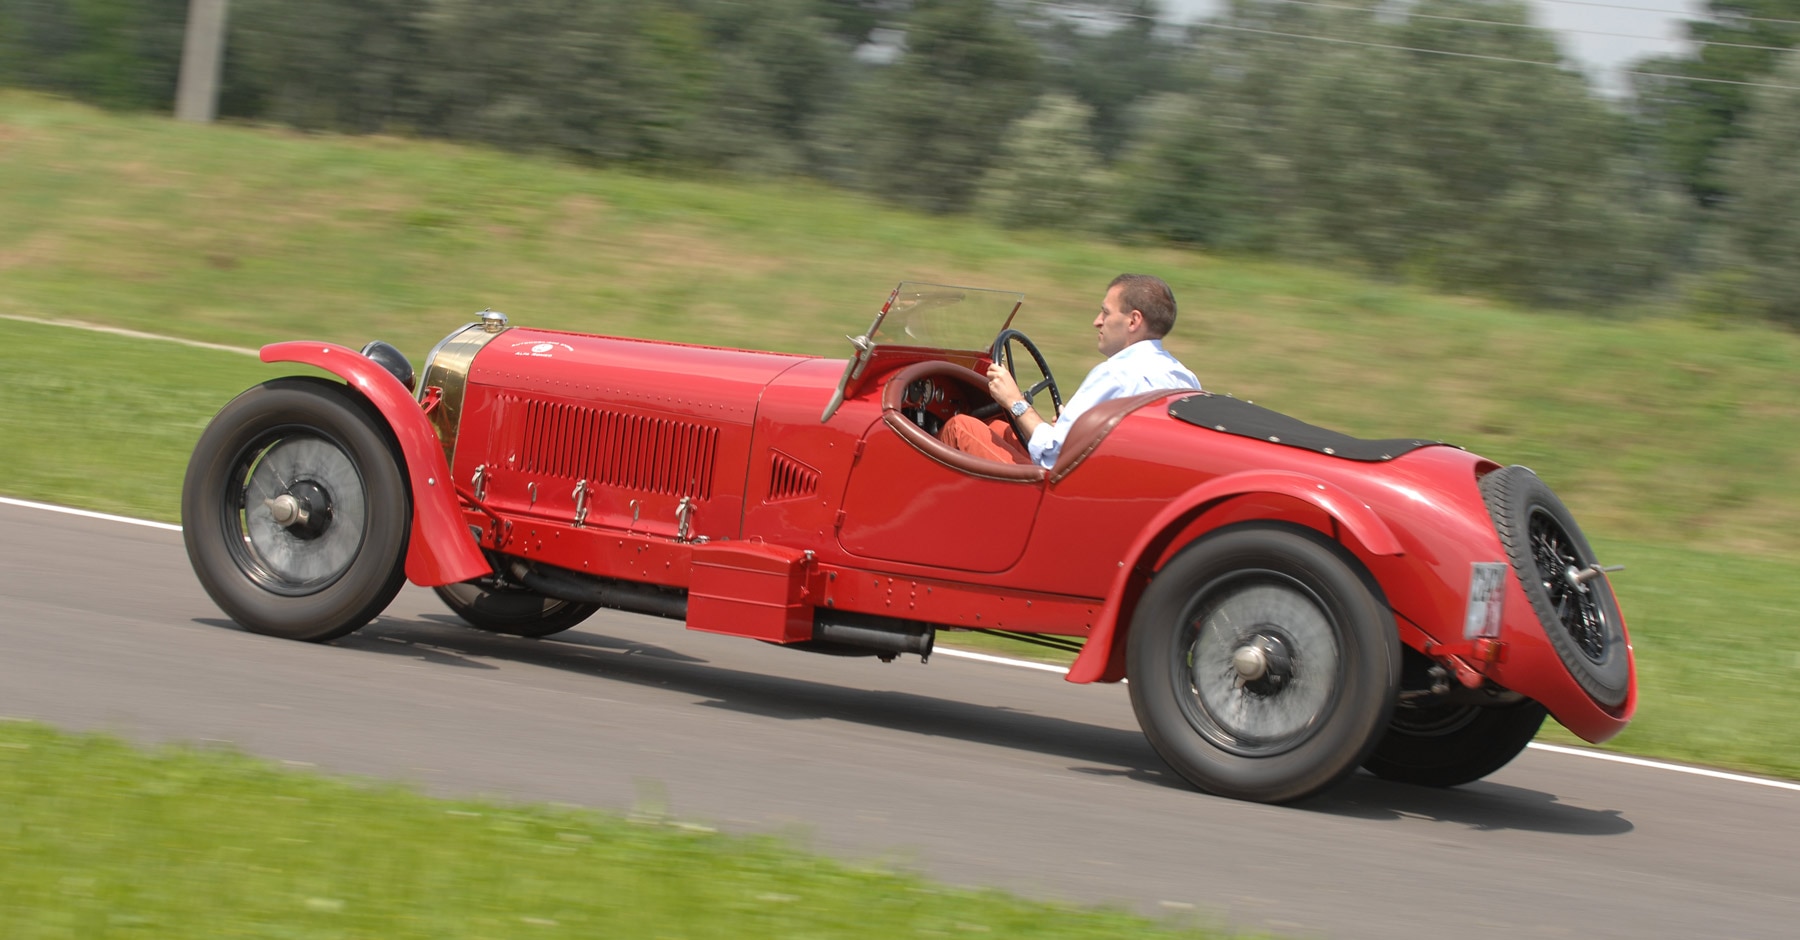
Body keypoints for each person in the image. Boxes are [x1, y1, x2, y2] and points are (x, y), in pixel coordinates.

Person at [939, 274, 1201, 468]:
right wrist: (1078, 428)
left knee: (961, 427)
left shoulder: (1116, 374)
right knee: (997, 428)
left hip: (1065, 490)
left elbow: (1053, 454)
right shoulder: (1184, 377)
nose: (1096, 321)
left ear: (1133, 321)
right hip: (1115, 476)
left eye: (1106, 313)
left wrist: (1015, 402)